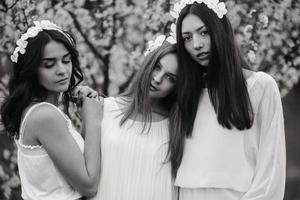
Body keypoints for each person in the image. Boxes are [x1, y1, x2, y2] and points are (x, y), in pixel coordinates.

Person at [167, 1, 286, 200]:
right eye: (187, 38)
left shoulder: (260, 87)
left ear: (220, 30)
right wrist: (101, 103)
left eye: (204, 32)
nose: (196, 44)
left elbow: (271, 167)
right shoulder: (184, 93)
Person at [1, 20, 102, 199]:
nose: (62, 70)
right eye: (49, 64)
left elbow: (81, 165)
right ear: (32, 70)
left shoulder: (37, 110)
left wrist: (87, 117)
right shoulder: (45, 115)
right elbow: (89, 186)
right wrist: (93, 118)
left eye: (66, 60)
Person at [90, 39, 178, 200]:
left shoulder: (176, 127)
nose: (158, 79)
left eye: (170, 78)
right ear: (148, 64)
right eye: (157, 67)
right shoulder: (105, 109)